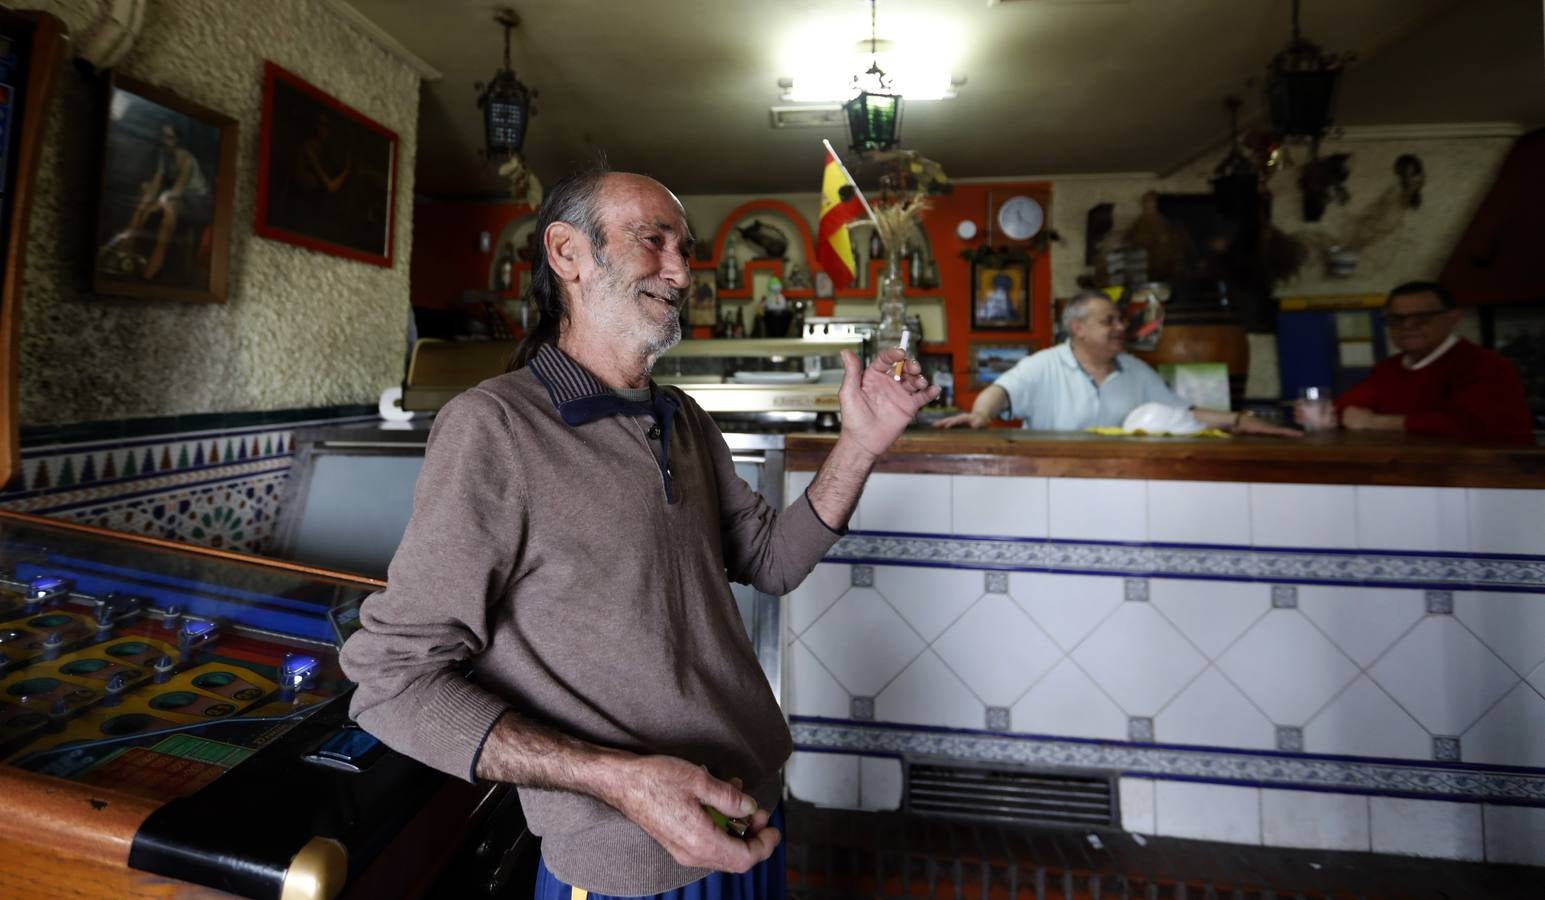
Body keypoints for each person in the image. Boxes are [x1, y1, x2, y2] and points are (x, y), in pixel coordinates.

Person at [338, 168, 938, 900]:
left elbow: (772, 562)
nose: (681, 270)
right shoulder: (493, 427)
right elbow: (392, 682)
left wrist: (860, 444)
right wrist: (618, 783)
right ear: (567, 253)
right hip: (627, 863)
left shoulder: (681, 417)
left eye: (684, 247)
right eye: (652, 240)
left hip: (750, 811)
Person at [935, 290, 1297, 435]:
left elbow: (1183, 411)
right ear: (1078, 328)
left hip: (1119, 488)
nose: (1121, 327)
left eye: (1120, 320)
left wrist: (1241, 420)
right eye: (1109, 321)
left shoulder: (1137, 370)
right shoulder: (1043, 365)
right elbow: (999, 391)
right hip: (1049, 485)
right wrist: (981, 416)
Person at [1311, 281, 1532, 443]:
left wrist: (1378, 422)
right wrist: (1322, 415)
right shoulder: (1390, 368)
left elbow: (1472, 425)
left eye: (1422, 317)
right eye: (1396, 319)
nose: (1407, 326)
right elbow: (1346, 408)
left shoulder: (1485, 365)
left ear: (1452, 319)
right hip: (1417, 479)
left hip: (1497, 485)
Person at [108, 122, 212, 281]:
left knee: (169, 211)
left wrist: (156, 205)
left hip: (196, 199)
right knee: (144, 199)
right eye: (163, 136)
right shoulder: (164, 154)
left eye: (169, 137)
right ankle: (126, 248)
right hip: (177, 193)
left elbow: (179, 188)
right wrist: (146, 202)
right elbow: (158, 178)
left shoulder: (187, 159)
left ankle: (154, 266)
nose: (165, 140)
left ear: (177, 140)